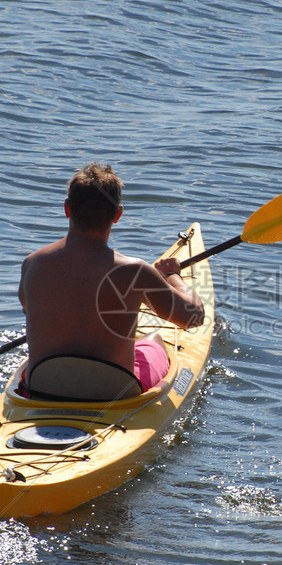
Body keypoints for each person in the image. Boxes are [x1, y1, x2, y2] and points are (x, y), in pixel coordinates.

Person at [17, 162, 204, 394]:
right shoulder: (135, 271)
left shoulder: (32, 264)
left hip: (43, 383)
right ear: (117, 214)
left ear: (67, 208)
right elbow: (193, 318)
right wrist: (173, 275)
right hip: (112, 391)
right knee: (154, 339)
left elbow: (30, 310)